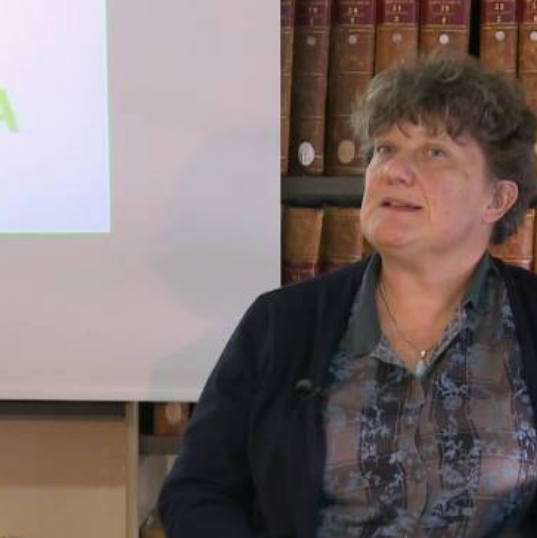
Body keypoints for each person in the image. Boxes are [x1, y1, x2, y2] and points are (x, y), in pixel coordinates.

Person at [159, 55, 537, 537]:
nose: (394, 170)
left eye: (434, 152)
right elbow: (197, 492)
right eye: (385, 148)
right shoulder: (282, 322)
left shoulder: (528, 320)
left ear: (497, 199)